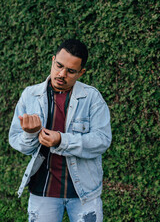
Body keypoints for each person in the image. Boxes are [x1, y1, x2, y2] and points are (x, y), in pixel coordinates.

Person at [9, 39, 112, 222]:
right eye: (59, 65)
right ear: (53, 60)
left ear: (81, 72)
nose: (62, 74)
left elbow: (102, 140)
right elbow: (18, 142)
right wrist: (30, 134)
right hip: (43, 190)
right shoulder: (30, 95)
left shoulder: (92, 98)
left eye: (71, 71)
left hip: (84, 193)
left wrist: (61, 141)